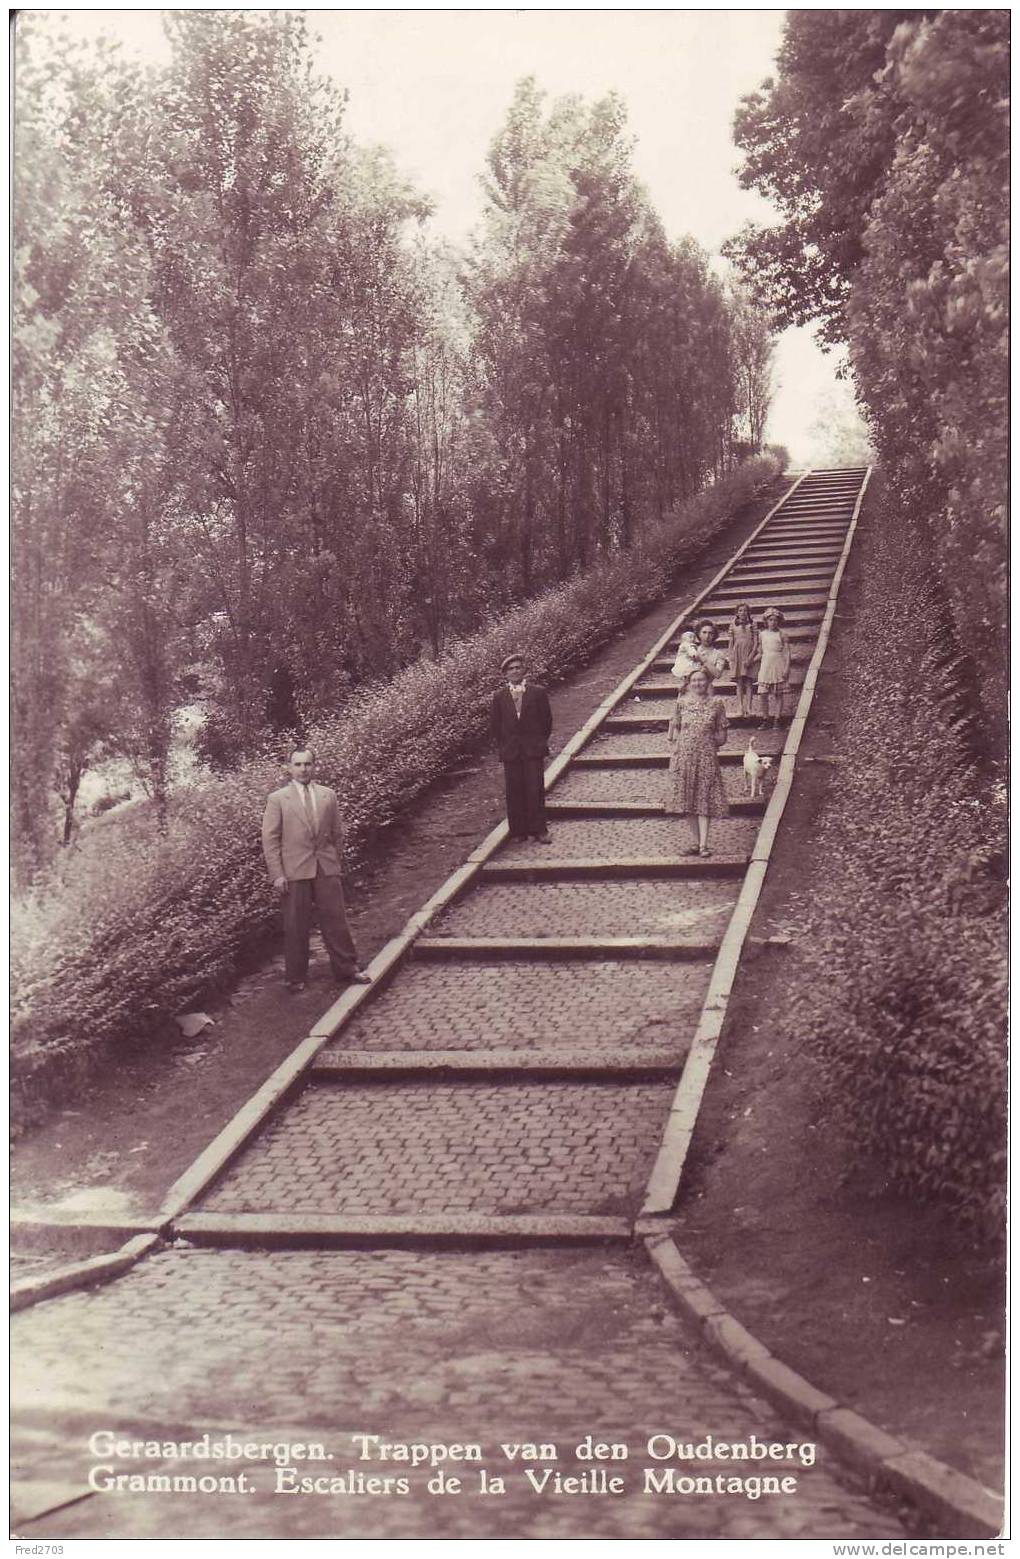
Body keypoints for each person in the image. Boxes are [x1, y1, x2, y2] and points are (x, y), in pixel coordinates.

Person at [261, 748, 371, 993]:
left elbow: (337, 833)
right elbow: (270, 840)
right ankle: (295, 977)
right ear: (289, 768)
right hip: (293, 870)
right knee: (295, 924)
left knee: (335, 919)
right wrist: (277, 874)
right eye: (298, 764)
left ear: (314, 766)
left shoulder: (327, 796)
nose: (303, 769)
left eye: (308, 764)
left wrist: (334, 862)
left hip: (325, 867)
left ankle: (347, 968)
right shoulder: (278, 799)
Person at [664, 665, 729, 856]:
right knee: (688, 800)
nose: (698, 683)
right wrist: (677, 748)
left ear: (708, 682)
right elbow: (674, 730)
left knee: (704, 799)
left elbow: (723, 735)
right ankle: (694, 842)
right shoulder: (681, 703)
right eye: (694, 681)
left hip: (706, 757)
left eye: (701, 680)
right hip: (684, 757)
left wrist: (707, 741)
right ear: (689, 683)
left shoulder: (717, 703)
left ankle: (703, 845)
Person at [490, 652, 553, 842]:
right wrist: (505, 746)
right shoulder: (499, 697)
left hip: (533, 749)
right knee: (514, 791)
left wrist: (538, 741)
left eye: (518, 667)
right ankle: (518, 832)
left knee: (535, 789)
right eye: (511, 669)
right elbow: (496, 726)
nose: (515, 671)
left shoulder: (538, 692)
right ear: (505, 674)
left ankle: (539, 830)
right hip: (511, 751)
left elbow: (546, 721)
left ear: (524, 670)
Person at [756, 607, 792, 729]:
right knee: (763, 693)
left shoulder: (782, 634)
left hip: (778, 664)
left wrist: (786, 668)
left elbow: (787, 652)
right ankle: (765, 718)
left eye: (775, 620)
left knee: (778, 694)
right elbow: (760, 652)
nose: (773, 622)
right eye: (770, 620)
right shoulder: (762, 634)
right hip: (766, 665)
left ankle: (777, 718)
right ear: (766, 621)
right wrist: (749, 661)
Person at [728, 602, 760, 717]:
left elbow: (756, 642)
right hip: (738, 655)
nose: (743, 613)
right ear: (737, 613)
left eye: (745, 611)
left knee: (749, 682)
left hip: (749, 653)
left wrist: (751, 657)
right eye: (740, 611)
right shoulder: (733, 624)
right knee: (739, 683)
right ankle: (740, 708)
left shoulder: (753, 624)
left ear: (748, 613)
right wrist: (731, 656)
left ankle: (749, 708)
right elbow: (731, 641)